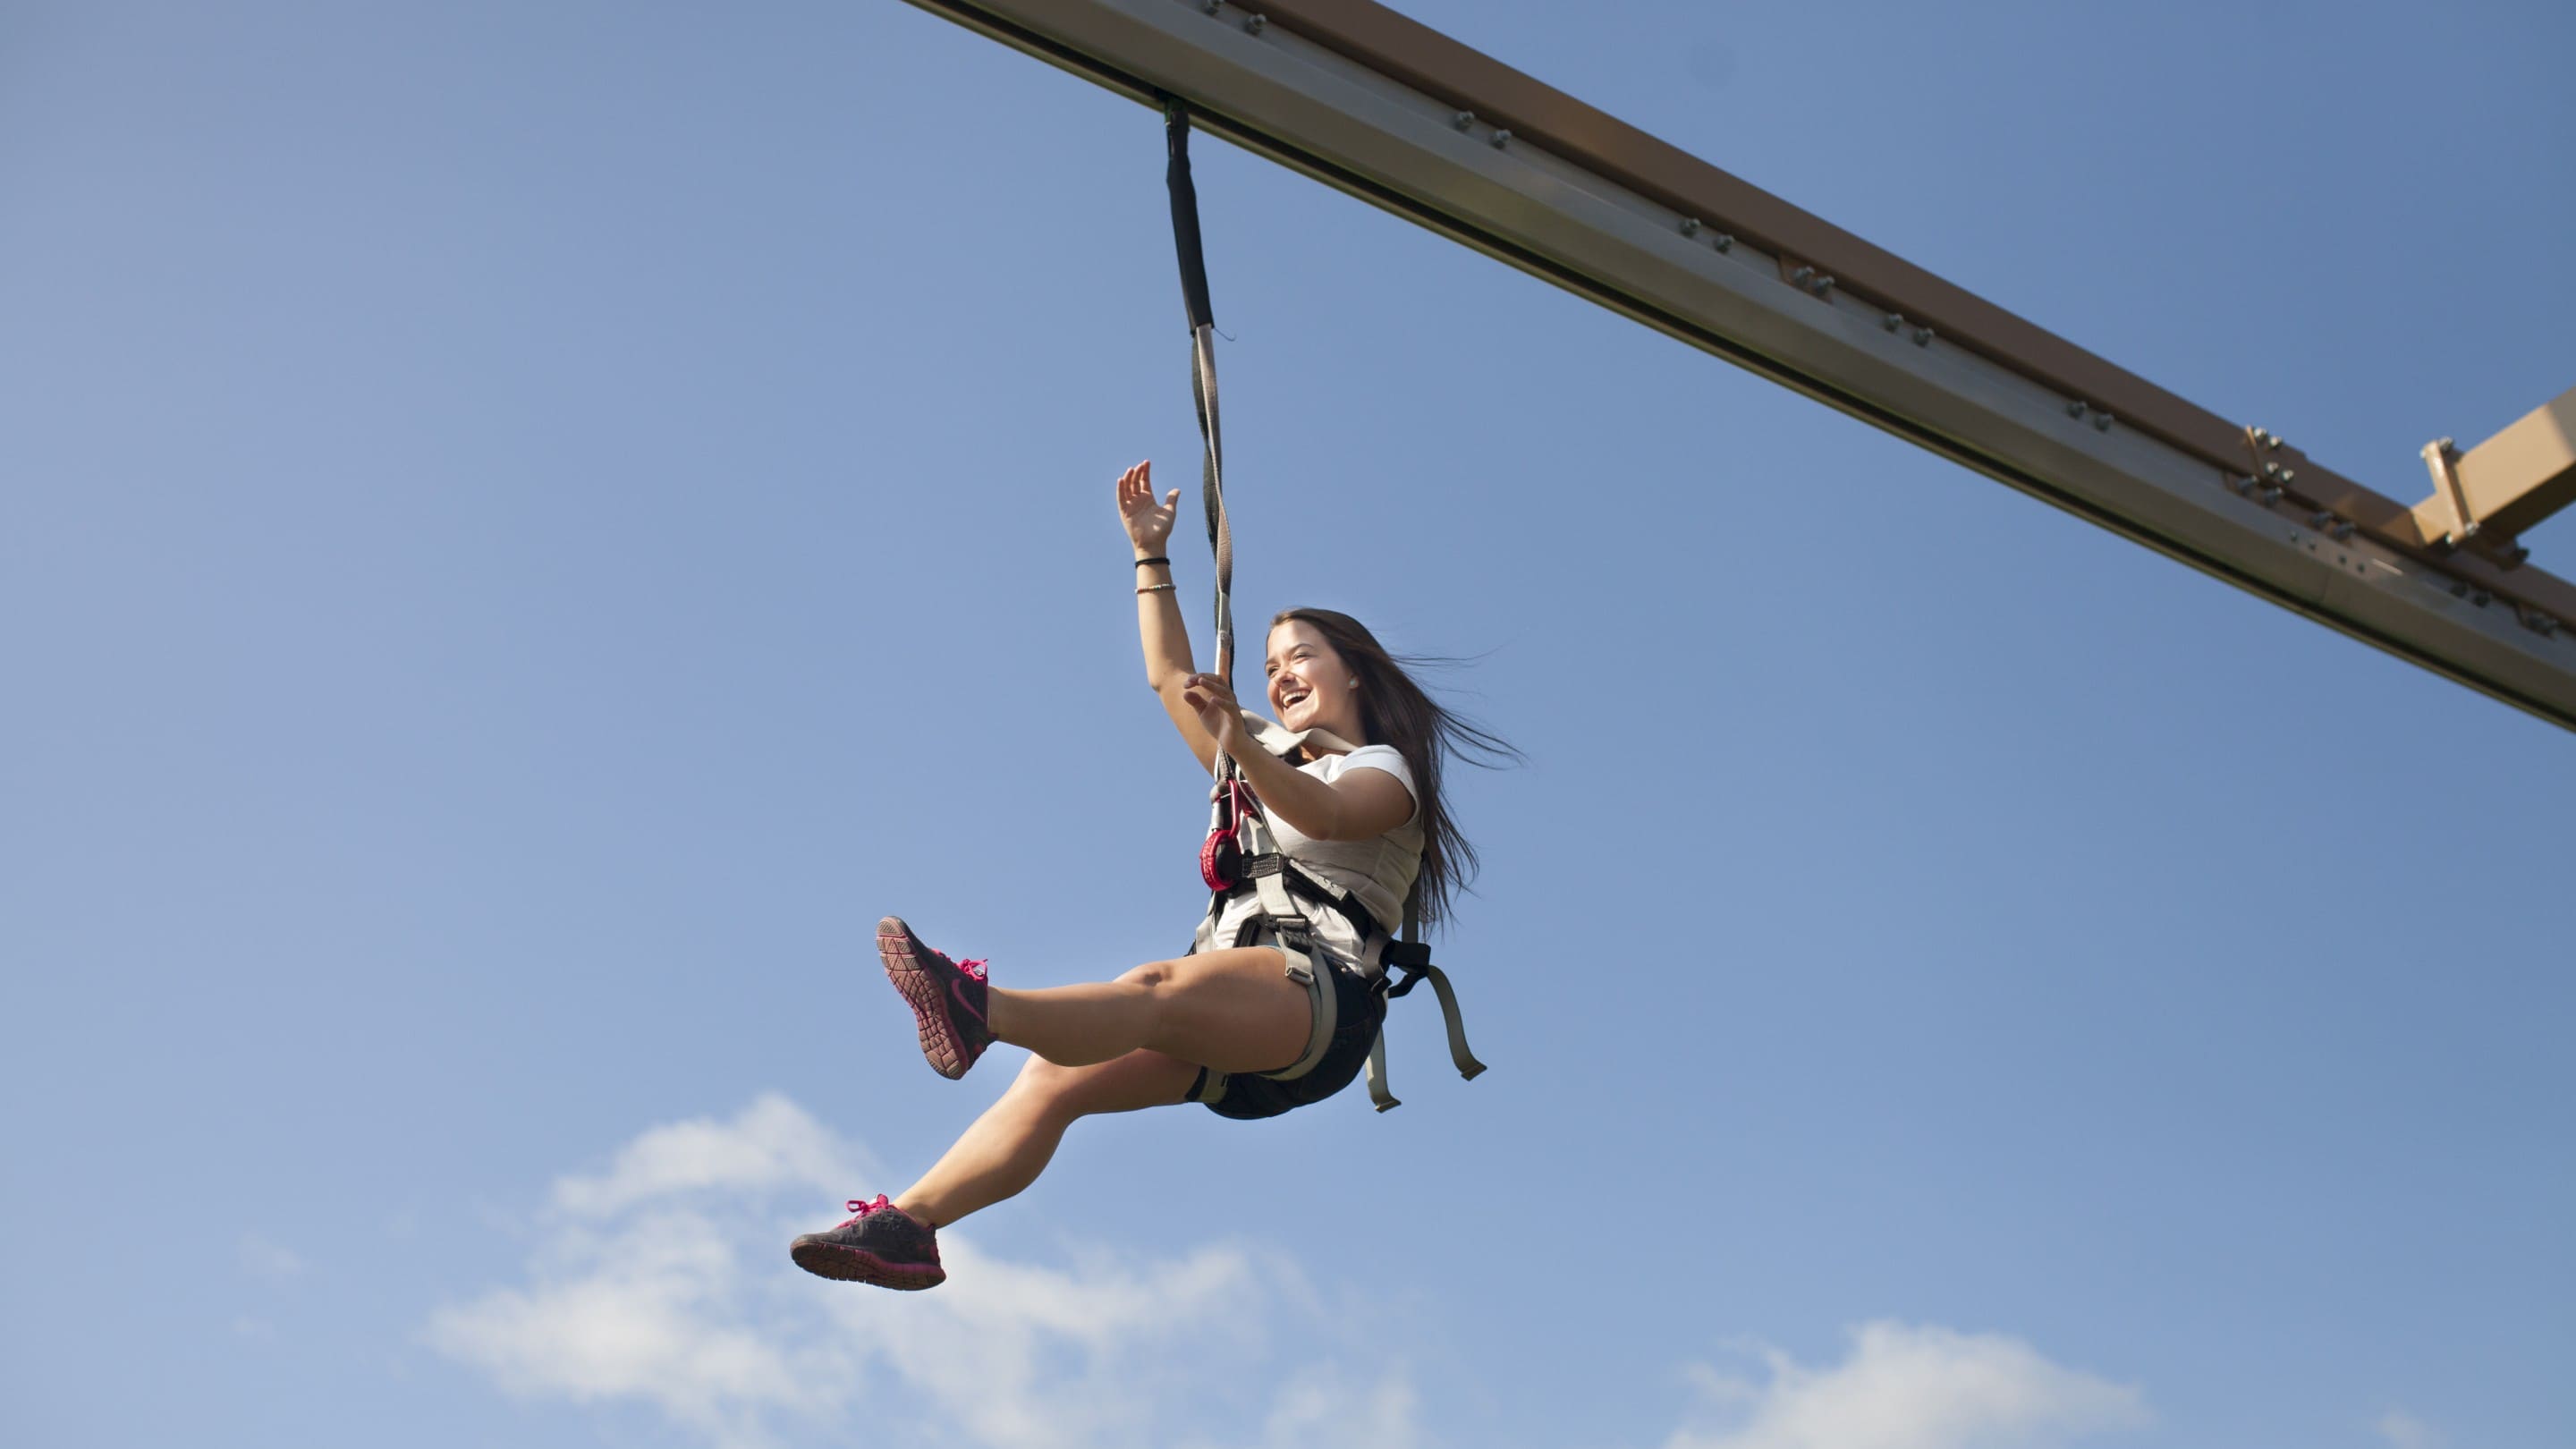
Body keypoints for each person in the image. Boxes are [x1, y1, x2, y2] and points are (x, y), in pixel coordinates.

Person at [791, 459, 1510, 1291]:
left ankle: (976, 1009)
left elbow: (1327, 817)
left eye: (1299, 657)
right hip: (1247, 1030)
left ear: (1352, 668)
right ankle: (909, 1228)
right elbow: (1170, 679)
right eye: (1271, 666)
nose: (1279, 676)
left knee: (1154, 984)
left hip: (1321, 1004)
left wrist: (1239, 745)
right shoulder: (1263, 751)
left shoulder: (1386, 769)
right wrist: (1150, 559)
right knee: (1055, 1079)